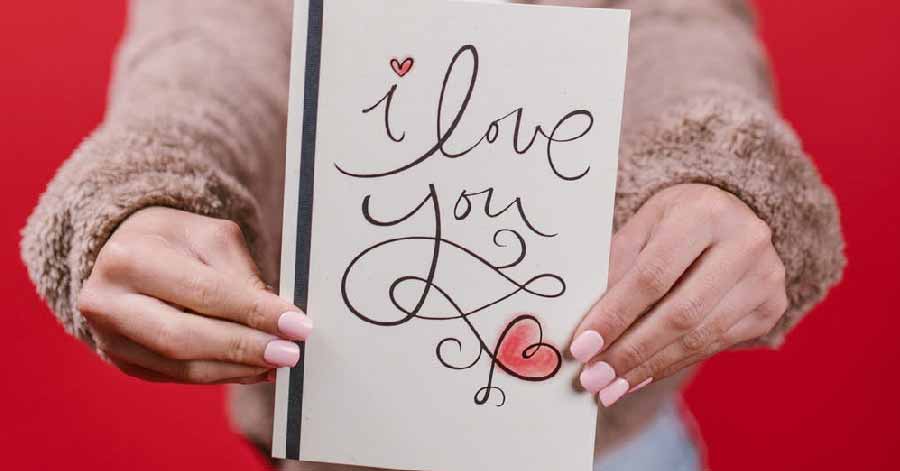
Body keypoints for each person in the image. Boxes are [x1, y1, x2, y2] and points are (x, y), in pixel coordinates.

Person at [21, 0, 845, 470]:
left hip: (612, 444)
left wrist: (726, 166)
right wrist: (145, 186)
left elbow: (684, 24)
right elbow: (206, 49)